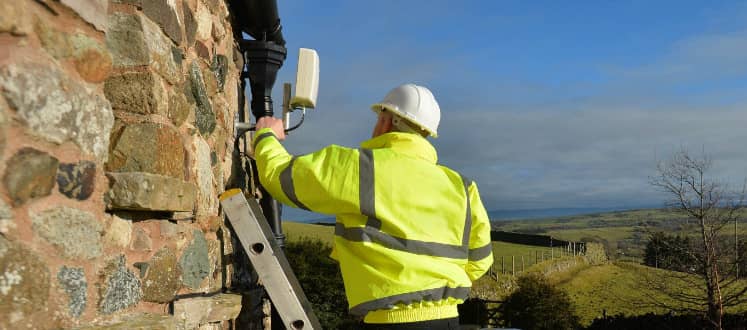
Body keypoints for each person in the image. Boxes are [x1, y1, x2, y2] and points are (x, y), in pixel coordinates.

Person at [253, 83, 493, 329]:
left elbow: (281, 178)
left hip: (388, 322)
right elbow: (480, 261)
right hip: (448, 320)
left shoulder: (362, 168)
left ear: (387, 122)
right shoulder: (463, 187)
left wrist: (266, 136)